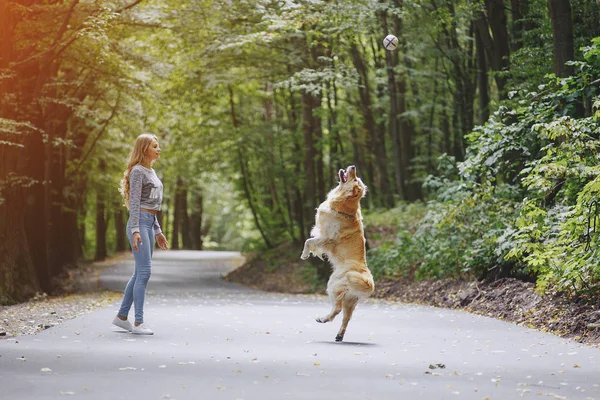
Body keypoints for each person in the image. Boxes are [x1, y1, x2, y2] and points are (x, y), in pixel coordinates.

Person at [112, 133, 169, 335]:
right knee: (144, 272)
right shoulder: (137, 171)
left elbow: (151, 205)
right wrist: (135, 230)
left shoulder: (151, 171)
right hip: (139, 224)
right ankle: (138, 323)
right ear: (145, 149)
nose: (159, 149)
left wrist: (158, 231)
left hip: (149, 223)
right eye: (155, 146)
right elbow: (135, 204)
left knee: (139, 272)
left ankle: (121, 317)